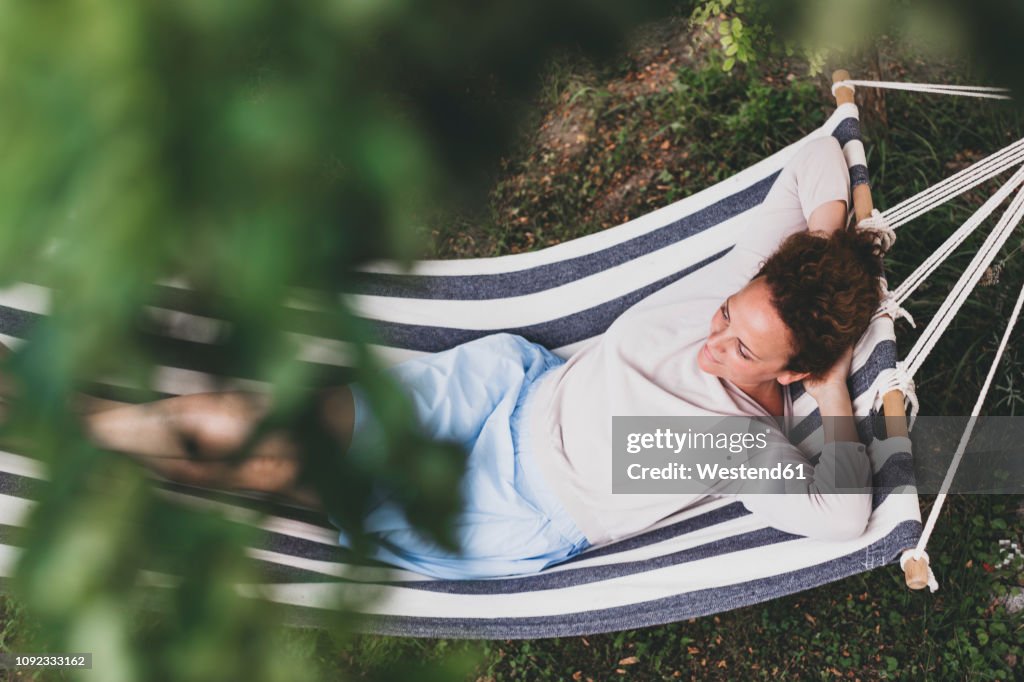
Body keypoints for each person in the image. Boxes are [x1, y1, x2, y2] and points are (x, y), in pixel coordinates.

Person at [79, 136, 886, 579]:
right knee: (283, 428)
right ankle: (91, 428)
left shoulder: (742, 445)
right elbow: (820, 153)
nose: (712, 344)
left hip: (510, 499)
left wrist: (834, 388)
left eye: (741, 348)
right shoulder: (748, 286)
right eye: (724, 318)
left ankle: (86, 436)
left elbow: (846, 516)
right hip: (504, 385)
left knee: (290, 460)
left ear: (789, 372)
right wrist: (824, 253)